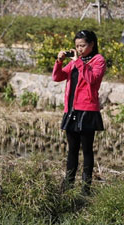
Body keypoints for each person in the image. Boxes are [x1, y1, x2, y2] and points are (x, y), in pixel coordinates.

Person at [53, 30, 106, 195]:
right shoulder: (76, 61)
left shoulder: (98, 60)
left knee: (87, 150)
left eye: (82, 45)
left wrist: (77, 61)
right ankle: (68, 187)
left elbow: (92, 79)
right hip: (71, 110)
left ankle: (86, 189)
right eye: (77, 46)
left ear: (92, 44)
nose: (79, 49)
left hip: (87, 110)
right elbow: (58, 77)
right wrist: (60, 61)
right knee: (72, 150)